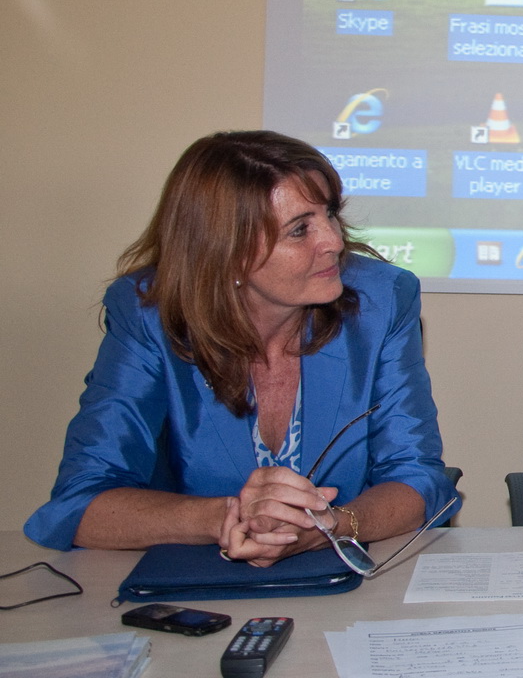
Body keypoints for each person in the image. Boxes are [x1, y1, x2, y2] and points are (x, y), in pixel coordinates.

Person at [26, 131, 457, 564]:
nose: (333, 241)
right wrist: (227, 517)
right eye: (300, 229)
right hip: (194, 587)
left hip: (346, 587)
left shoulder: (381, 301)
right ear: (224, 251)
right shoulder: (147, 314)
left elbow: (417, 478)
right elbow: (82, 504)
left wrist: (330, 524)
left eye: (329, 214)